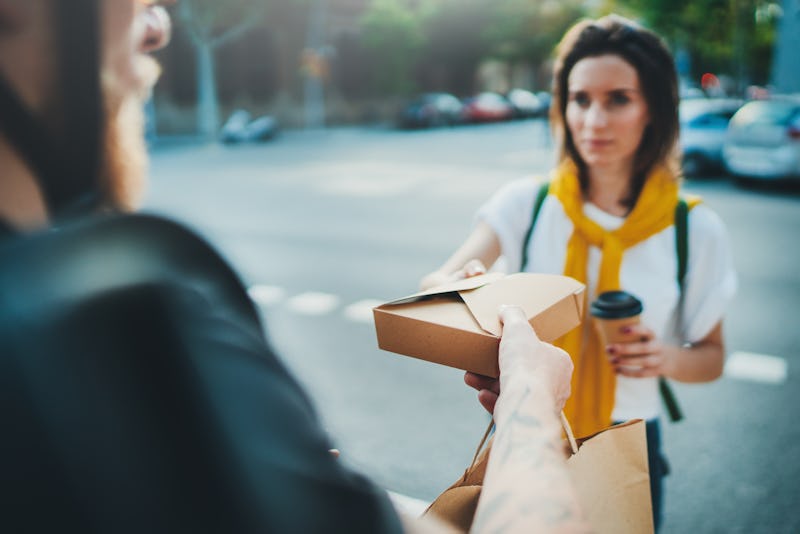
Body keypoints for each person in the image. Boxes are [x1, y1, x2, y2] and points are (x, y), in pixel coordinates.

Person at [0, 1, 591, 532]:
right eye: (138, 0)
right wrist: (530, 399)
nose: (157, 29)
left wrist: (306, 487)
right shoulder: (115, 313)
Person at [421, 14, 737, 529]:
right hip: (525, 433)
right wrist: (471, 290)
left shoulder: (694, 229)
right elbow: (435, 286)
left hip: (628, 437)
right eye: (580, 98)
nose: (593, 120)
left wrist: (662, 358)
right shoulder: (527, 202)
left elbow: (712, 358)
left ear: (653, 108)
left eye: (618, 99)